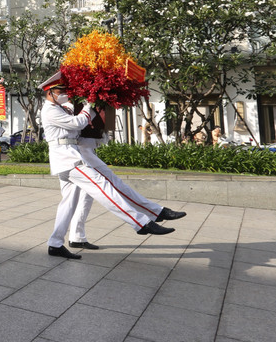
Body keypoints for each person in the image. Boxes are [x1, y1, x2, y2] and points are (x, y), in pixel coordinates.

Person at [39, 71, 178, 260]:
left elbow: (78, 127)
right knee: (102, 188)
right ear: (50, 92)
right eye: (61, 91)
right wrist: (91, 103)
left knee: (68, 204)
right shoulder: (50, 110)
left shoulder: (62, 107)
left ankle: (55, 244)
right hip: (68, 159)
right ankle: (140, 223)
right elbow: (78, 123)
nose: (65, 94)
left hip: (70, 156)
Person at [68, 104, 185, 250]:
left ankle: (76, 237)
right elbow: (76, 122)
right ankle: (147, 218)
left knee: (86, 198)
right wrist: (89, 103)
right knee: (105, 188)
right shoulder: (65, 104)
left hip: (84, 149)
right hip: (74, 153)